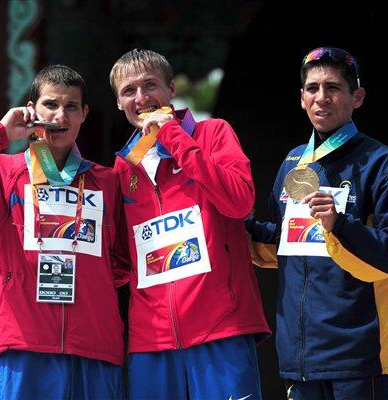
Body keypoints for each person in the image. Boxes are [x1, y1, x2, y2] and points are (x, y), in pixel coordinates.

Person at [0, 65, 128, 399]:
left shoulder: (107, 182)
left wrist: (91, 283)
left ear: (84, 114)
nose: (60, 115)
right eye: (51, 104)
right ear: (31, 110)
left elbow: (122, 262)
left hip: (95, 349)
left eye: (71, 106)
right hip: (22, 347)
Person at [246, 47, 388, 399]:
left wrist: (340, 224)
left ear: (357, 97)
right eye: (312, 88)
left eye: (333, 87)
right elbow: (280, 246)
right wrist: (238, 227)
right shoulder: (293, 163)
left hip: (359, 353)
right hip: (300, 356)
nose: (321, 98)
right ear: (302, 98)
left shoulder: (384, 163)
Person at [109, 48, 270, 399]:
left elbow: (239, 201)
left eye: (150, 85)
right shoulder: (123, 168)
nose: (141, 98)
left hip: (220, 328)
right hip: (151, 340)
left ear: (170, 89)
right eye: (128, 91)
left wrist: (176, 139)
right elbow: (121, 260)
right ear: (119, 104)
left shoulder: (213, 133)